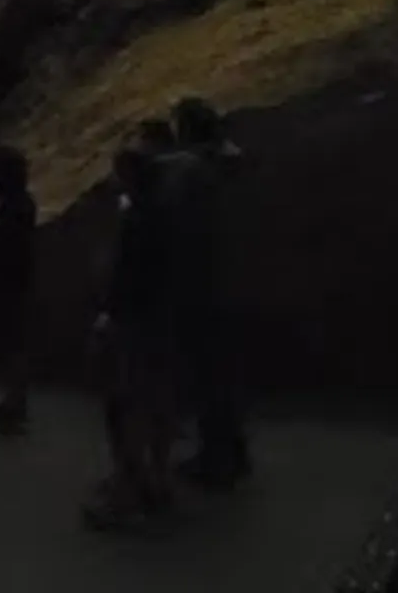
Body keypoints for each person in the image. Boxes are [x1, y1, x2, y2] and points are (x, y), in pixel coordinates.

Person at [84, 139, 182, 530]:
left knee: (126, 405)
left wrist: (109, 313)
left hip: (133, 322)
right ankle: (157, 481)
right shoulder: (165, 216)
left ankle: (129, 493)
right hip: (161, 319)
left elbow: (126, 275)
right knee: (157, 402)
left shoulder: (136, 220)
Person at [168, 96, 251, 489]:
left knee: (207, 374)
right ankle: (232, 451)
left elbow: (179, 226)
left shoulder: (191, 170)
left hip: (199, 281)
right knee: (224, 372)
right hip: (229, 276)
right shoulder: (230, 161)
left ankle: (217, 458)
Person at [0, 143, 38, 437]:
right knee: (14, 343)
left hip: (11, 284)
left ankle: (15, 402)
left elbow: (8, 249)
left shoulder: (13, 208)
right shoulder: (21, 204)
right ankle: (15, 399)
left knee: (13, 343)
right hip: (16, 282)